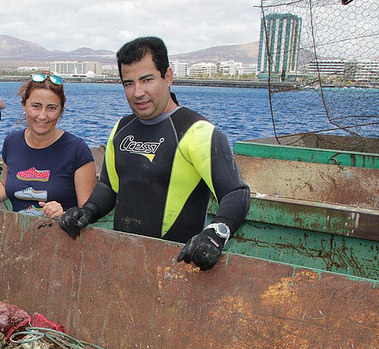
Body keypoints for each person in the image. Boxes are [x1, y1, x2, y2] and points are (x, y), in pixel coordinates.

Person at [59, 36, 250, 271]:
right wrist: (86, 212)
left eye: (146, 80)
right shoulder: (121, 129)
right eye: (128, 83)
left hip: (178, 270)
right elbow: (109, 187)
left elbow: (236, 192)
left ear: (167, 76)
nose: (138, 92)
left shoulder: (197, 132)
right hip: (125, 264)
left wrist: (217, 233)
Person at [0, 72, 96, 218]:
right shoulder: (12, 142)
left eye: (51, 108)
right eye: (36, 106)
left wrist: (64, 214)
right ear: (24, 105)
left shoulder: (77, 150)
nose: (42, 115)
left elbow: (87, 211)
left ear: (61, 110)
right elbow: (5, 185)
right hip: (22, 234)